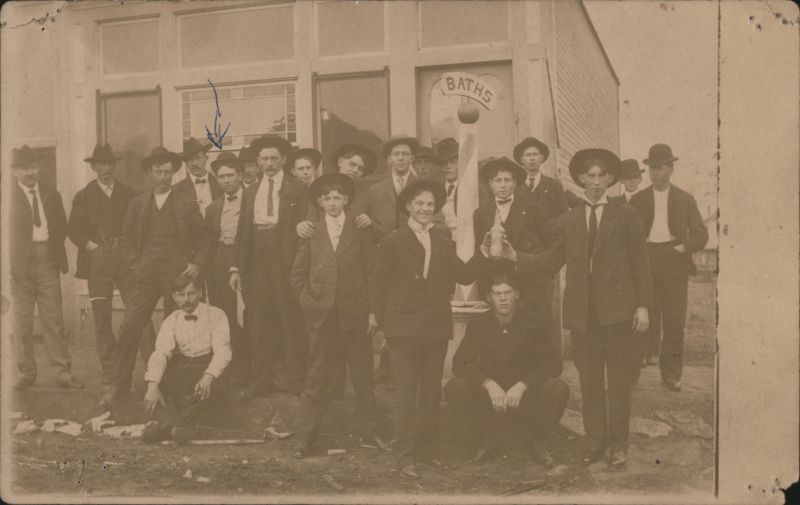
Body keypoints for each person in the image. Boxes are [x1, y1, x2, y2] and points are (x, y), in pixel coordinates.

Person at [509, 148, 653, 468]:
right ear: (581, 179)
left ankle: (619, 444)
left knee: (617, 381)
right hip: (582, 316)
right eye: (591, 175)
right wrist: (513, 257)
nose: (597, 181)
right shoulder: (569, 219)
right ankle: (595, 441)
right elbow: (549, 260)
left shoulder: (626, 215)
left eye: (603, 175)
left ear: (611, 179)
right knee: (589, 382)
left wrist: (642, 306)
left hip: (618, 314)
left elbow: (642, 265)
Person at [369, 179, 487, 479]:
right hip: (403, 328)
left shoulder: (443, 241)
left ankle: (429, 451)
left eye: (430, 205)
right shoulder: (393, 240)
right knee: (407, 393)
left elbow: (463, 275)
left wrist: (484, 253)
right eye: (419, 203)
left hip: (435, 327)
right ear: (408, 205)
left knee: (431, 393)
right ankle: (405, 456)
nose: (425, 209)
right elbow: (379, 283)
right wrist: (379, 321)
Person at [290, 173, 391, 457]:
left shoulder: (360, 229)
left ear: (346, 199)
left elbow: (373, 273)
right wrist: (309, 302)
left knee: (362, 377)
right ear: (319, 203)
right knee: (316, 378)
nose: (332, 203)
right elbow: (297, 274)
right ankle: (306, 438)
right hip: (321, 317)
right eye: (327, 198)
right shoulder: (312, 232)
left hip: (354, 315)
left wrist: (372, 312)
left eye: (337, 197)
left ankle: (371, 433)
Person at [103, 146, 210, 406]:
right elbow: (126, 237)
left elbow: (204, 236)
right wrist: (134, 264)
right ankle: (119, 385)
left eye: (167, 172)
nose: (163, 176)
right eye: (158, 172)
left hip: (178, 276)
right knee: (130, 325)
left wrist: (195, 265)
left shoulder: (186, 202)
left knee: (178, 329)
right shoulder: (138, 203)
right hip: (146, 274)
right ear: (150, 173)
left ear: (174, 173)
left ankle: (174, 387)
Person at [445, 261, 568, 467]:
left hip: (523, 400)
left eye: (507, 292)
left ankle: (540, 444)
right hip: (490, 402)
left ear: (516, 294)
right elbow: (460, 364)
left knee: (558, 387)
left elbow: (553, 364)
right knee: (454, 387)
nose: (502, 299)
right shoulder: (479, 324)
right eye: (496, 294)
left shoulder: (533, 322)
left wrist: (522, 385)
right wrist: (488, 384)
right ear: (489, 298)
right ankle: (482, 440)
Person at [68, 143, 155, 394]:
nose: (105, 169)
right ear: (93, 167)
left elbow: (142, 226)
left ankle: (153, 367)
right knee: (102, 318)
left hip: (127, 262)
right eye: (100, 165)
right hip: (98, 262)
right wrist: (91, 246)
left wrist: (133, 253)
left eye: (109, 164)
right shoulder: (83, 196)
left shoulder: (130, 194)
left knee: (140, 312)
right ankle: (111, 372)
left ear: (114, 166)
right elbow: (73, 229)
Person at [229, 135, 309, 397]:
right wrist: (236, 268)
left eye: (274, 158)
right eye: (264, 159)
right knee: (260, 321)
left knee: (290, 319)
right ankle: (261, 381)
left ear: (284, 160)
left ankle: (296, 379)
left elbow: (305, 228)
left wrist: (300, 265)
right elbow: (243, 231)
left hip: (285, 258)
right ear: (258, 162)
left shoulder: (297, 188)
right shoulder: (251, 190)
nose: (270, 163)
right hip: (257, 260)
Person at [629, 144, 708, 391]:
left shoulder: (685, 199)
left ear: (671, 169)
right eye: (652, 169)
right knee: (642, 319)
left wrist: (683, 248)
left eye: (660, 168)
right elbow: (629, 235)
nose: (655, 174)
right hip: (647, 260)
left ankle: (671, 375)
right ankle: (630, 374)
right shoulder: (638, 199)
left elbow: (700, 235)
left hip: (674, 260)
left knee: (674, 322)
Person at [8, 145, 83, 389]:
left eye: (33, 167)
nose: (30, 172)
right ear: (15, 172)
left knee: (54, 319)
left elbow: (61, 227)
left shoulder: (52, 195)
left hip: (47, 261)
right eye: (24, 168)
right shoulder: (6, 198)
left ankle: (62, 372)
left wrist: (52, 253)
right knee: (22, 322)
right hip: (19, 266)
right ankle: (26, 373)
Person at [141, 275, 232, 444]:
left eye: (191, 294)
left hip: (207, 366)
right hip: (183, 367)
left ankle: (165, 427)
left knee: (212, 390)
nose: (186, 299)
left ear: (199, 293)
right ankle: (177, 428)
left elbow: (223, 351)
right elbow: (161, 353)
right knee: (146, 383)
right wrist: (153, 386)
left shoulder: (216, 314)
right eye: (181, 295)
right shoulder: (172, 320)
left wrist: (209, 376)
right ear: (174, 297)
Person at [473, 157, 555, 340]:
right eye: (497, 180)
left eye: (507, 180)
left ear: (515, 183)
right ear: (490, 184)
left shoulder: (533, 209)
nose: (503, 185)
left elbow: (549, 250)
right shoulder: (480, 214)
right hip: (497, 287)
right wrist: (483, 290)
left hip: (529, 287)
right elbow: (479, 254)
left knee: (532, 339)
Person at [204, 151, 247, 383]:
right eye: (221, 177)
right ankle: (231, 367)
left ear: (240, 176)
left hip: (248, 262)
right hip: (220, 262)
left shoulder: (252, 200)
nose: (227, 180)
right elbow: (211, 241)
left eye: (231, 175)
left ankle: (252, 367)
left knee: (249, 315)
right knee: (226, 315)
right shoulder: (212, 208)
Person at [363, 134, 420, 241]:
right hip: (385, 248)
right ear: (389, 159)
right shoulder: (375, 191)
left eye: (405, 154)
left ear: (412, 158)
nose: (401, 158)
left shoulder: (422, 187)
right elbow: (370, 224)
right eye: (396, 154)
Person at [513, 137, 568, 224]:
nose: (532, 158)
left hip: (548, 236)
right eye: (527, 155)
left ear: (541, 158)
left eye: (535, 154)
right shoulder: (515, 186)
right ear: (522, 160)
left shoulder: (554, 185)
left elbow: (563, 216)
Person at [173, 138, 221, 217]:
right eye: (190, 159)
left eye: (198, 158)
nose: (195, 163)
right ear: (186, 163)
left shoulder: (219, 183)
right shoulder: (177, 190)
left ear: (206, 159)